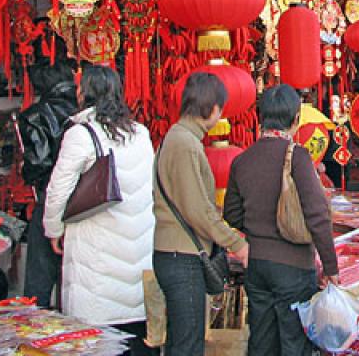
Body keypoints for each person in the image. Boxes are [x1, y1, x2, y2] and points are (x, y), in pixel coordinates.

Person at [43, 65, 155, 355]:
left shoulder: (81, 134)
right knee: (135, 339)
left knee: (98, 341)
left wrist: (53, 229)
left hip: (96, 253)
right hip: (139, 250)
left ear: (85, 93)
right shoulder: (141, 133)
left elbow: (58, 189)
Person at [223, 85, 339, 356]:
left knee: (261, 340)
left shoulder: (242, 160)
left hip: (258, 265)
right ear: (295, 119)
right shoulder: (296, 156)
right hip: (294, 266)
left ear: (261, 117)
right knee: (293, 342)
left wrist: (258, 228)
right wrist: (331, 266)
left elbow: (231, 214)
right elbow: (317, 215)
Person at [154, 72, 249, 356]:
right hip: (181, 256)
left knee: (182, 341)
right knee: (188, 344)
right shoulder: (184, 143)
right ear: (212, 108)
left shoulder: (181, 138)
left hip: (175, 252)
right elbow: (197, 209)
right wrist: (236, 242)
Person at [17, 61, 78, 308]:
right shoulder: (83, 110)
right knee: (76, 275)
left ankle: (36, 327)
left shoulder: (34, 115)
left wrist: (26, 172)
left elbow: (39, 163)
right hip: (83, 201)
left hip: (51, 197)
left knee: (40, 277)